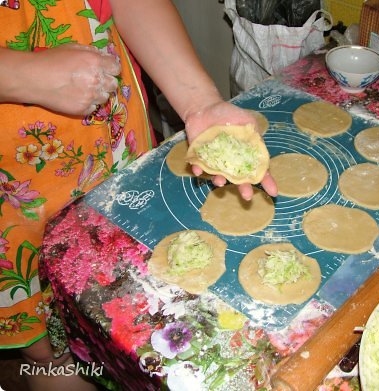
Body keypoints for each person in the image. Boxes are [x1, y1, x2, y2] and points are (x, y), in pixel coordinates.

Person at [0, 0, 277, 389]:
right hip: (14, 188)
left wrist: (199, 103)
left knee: (123, 310)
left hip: (114, 148)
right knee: (52, 349)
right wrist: (18, 76)